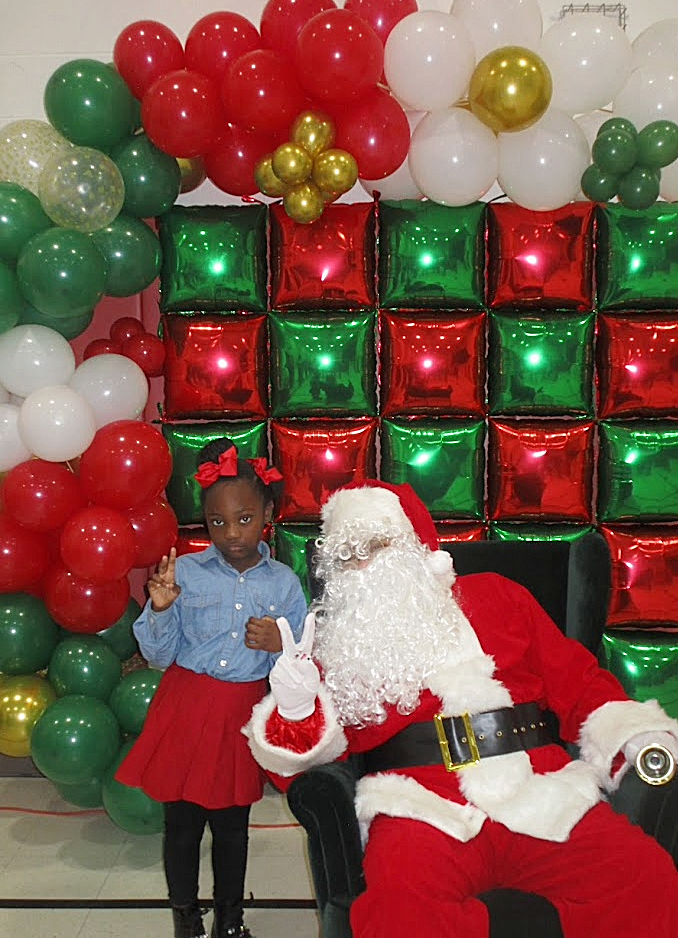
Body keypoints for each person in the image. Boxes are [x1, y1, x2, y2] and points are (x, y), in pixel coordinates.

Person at [244, 479, 678, 938]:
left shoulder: (498, 596)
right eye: (348, 555)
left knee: (648, 879)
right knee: (399, 915)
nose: (363, 565)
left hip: (540, 787)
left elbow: (580, 683)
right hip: (422, 809)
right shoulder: (337, 648)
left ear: (415, 543)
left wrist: (636, 735)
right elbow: (302, 767)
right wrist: (297, 709)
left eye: (375, 546)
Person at [116, 438, 307, 938]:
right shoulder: (186, 573)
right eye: (218, 522)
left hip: (240, 715)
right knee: (182, 825)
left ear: (267, 514)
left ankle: (230, 920)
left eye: (244, 518)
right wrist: (160, 609)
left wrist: (281, 644)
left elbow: (302, 665)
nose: (232, 533)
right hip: (185, 707)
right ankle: (185, 918)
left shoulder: (284, 583)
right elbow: (159, 656)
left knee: (232, 827)